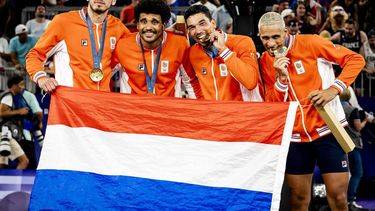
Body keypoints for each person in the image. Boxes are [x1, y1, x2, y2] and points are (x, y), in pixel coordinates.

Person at [258, 12, 365, 210]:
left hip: (328, 129)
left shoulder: (311, 43)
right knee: (298, 200)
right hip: (295, 137)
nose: (271, 43)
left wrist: (333, 90)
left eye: (275, 37)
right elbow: (273, 103)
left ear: (285, 31)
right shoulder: (265, 61)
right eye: (265, 38)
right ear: (259, 36)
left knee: (339, 198)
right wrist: (281, 79)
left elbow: (355, 59)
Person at [26, 0, 130, 93]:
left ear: (114, 1)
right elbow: (34, 55)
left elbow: (136, 54)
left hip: (101, 105)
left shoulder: (118, 28)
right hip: (70, 105)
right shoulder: (63, 22)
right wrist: (41, 78)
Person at [115, 0, 201, 98]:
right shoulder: (123, 45)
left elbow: (190, 82)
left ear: (163, 25)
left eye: (154, 22)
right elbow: (102, 73)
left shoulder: (179, 44)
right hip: (133, 111)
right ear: (138, 25)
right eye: (144, 21)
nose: (148, 27)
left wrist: (199, 110)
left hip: (168, 111)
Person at [184, 5, 262, 101]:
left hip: (241, 113)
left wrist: (223, 50)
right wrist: (203, 106)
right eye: (192, 28)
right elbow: (193, 83)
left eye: (202, 23)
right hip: (213, 114)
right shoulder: (193, 52)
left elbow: (250, 82)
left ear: (213, 23)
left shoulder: (243, 42)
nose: (198, 31)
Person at [339, 89, 367, 209]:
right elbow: (358, 127)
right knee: (357, 172)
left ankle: (343, 200)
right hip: (353, 144)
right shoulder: (353, 110)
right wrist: (365, 120)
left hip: (340, 144)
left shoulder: (336, 109)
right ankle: (350, 200)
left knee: (345, 173)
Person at [0, 76, 30, 169]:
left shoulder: (8, 96)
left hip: (3, 133)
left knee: (2, 164)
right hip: (4, 134)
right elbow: (1, 113)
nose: (23, 87)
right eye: (21, 84)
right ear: (13, 86)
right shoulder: (8, 96)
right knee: (24, 161)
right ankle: (16, 183)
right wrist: (19, 111)